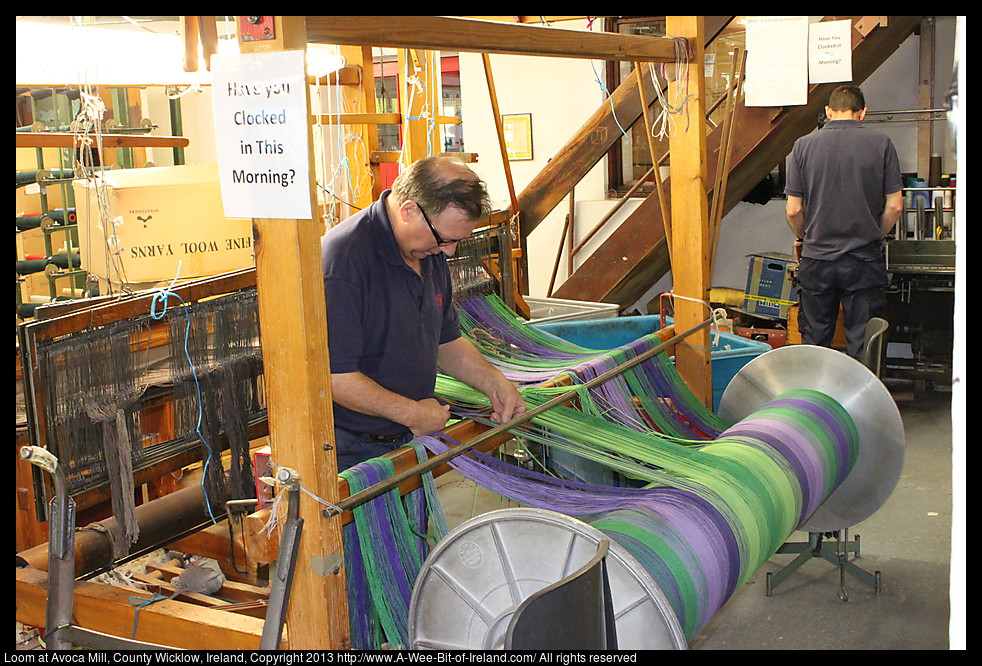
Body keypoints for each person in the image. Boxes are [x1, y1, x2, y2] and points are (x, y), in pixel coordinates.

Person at [321, 154, 526, 471]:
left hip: (409, 438)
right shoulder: (344, 262)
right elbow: (336, 377)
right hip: (353, 452)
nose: (449, 251)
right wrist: (412, 414)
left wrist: (494, 382)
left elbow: (447, 342)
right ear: (409, 211)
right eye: (445, 239)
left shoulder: (427, 250)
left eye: (457, 241)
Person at [785, 85, 904, 360]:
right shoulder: (882, 143)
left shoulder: (802, 145)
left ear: (828, 112)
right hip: (863, 260)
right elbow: (895, 206)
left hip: (818, 260)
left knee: (814, 341)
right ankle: (862, 403)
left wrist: (805, 237)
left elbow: (793, 211)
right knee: (864, 344)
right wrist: (876, 234)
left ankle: (813, 402)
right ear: (862, 113)